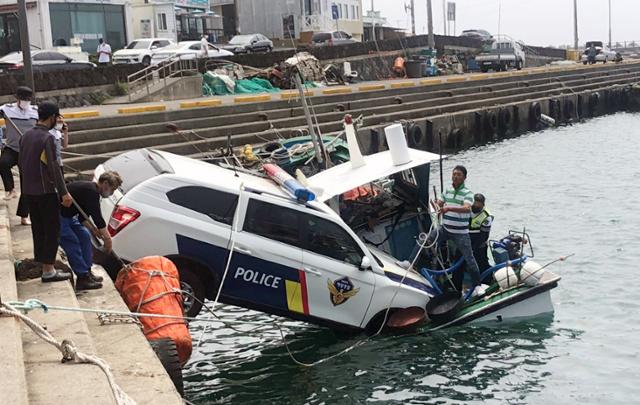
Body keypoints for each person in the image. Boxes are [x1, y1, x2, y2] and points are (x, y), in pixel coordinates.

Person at [19, 101, 73, 283]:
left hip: (29, 191)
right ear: (52, 118)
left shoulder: (25, 136)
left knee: (38, 229)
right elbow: (53, 167)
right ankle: (48, 270)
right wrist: (64, 192)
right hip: (45, 192)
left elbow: (21, 164)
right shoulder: (47, 138)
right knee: (51, 230)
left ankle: (44, 266)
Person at [430, 165, 486, 296]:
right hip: (445, 229)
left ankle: (477, 285)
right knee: (426, 240)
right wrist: (436, 205)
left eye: (459, 174)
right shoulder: (447, 191)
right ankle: (409, 263)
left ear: (464, 177)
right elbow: (440, 203)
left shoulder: (468, 193)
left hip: (461, 233)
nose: (455, 176)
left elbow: (467, 208)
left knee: (469, 258)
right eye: (454, 174)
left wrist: (449, 208)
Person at [60, 171, 122, 290]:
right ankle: (82, 277)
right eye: (112, 189)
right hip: (58, 216)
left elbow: (83, 218)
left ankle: (87, 271)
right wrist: (108, 239)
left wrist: (93, 231)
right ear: (105, 184)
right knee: (72, 241)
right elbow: (97, 217)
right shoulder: (91, 191)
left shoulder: (91, 191)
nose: (112, 193)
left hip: (69, 216)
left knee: (84, 235)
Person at [0, 86, 36, 225]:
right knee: (3, 163)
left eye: (28, 99)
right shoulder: (7, 109)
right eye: (23, 99)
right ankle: (11, 189)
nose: (25, 101)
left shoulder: (35, 112)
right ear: (17, 98)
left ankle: (23, 216)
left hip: (28, 151)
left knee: (26, 184)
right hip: (12, 148)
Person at [469, 193, 494, 282]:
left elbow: (484, 236)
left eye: (479, 203)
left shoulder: (487, 216)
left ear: (483, 204)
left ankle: (487, 281)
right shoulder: (468, 209)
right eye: (475, 202)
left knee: (482, 263)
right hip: (466, 240)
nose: (476, 205)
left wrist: (474, 247)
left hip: (479, 243)